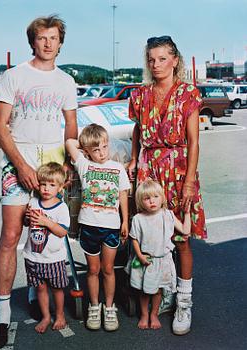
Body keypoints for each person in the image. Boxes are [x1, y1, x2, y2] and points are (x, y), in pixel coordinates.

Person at [0, 15, 78, 349]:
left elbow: (71, 126)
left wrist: (69, 162)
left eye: (53, 38)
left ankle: (36, 284)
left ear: (60, 42)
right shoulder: (14, 76)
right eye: (42, 37)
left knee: (46, 230)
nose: (48, 43)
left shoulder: (66, 81)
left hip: (53, 163)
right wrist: (21, 165)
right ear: (33, 41)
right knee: (12, 235)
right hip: (18, 161)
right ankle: (2, 312)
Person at [128, 35, 207, 335]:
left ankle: (184, 301)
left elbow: (194, 141)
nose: (156, 64)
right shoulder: (140, 95)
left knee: (181, 239)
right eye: (151, 59)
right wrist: (135, 160)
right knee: (150, 238)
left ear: (175, 60)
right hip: (150, 172)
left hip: (178, 169)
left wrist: (189, 181)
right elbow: (138, 129)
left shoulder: (188, 93)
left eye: (162, 58)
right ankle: (159, 291)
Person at [65, 123, 131, 331]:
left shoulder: (117, 167)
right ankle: (95, 306)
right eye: (96, 150)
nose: (102, 153)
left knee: (108, 269)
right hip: (89, 226)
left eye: (104, 147)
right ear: (87, 152)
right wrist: (85, 147)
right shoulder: (84, 165)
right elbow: (69, 143)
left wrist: (125, 220)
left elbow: (122, 194)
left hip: (111, 226)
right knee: (93, 270)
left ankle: (109, 307)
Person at [127, 180, 191, 330]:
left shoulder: (167, 215)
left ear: (162, 197)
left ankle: (154, 314)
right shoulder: (138, 219)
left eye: (155, 197)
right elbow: (134, 239)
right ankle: (144, 314)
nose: (152, 201)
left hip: (163, 261)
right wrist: (140, 255)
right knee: (144, 291)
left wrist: (187, 213)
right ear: (141, 202)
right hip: (146, 260)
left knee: (158, 291)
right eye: (147, 198)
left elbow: (185, 230)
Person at [23, 162, 69, 333]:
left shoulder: (61, 207)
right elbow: (27, 223)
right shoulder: (34, 202)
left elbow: (62, 231)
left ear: (60, 187)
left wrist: (46, 221)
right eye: (43, 184)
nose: (46, 189)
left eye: (52, 185)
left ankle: (60, 315)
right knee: (40, 288)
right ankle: (46, 316)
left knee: (57, 289)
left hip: (54, 258)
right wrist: (27, 218)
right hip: (34, 256)